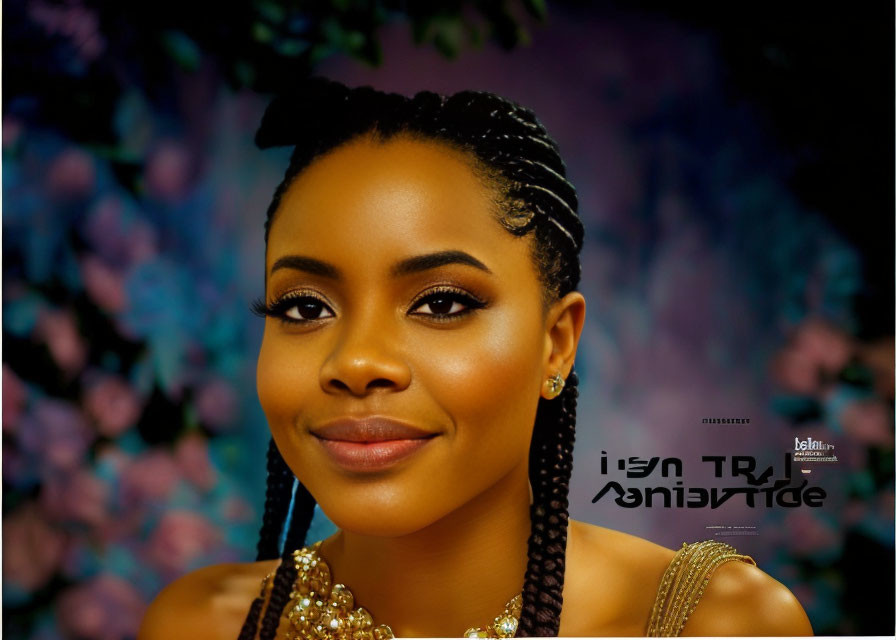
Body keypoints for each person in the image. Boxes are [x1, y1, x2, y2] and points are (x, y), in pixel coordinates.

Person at [139, 78, 813, 638]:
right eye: (305, 308)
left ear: (558, 343)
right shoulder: (203, 625)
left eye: (440, 303)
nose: (357, 361)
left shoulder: (712, 622)